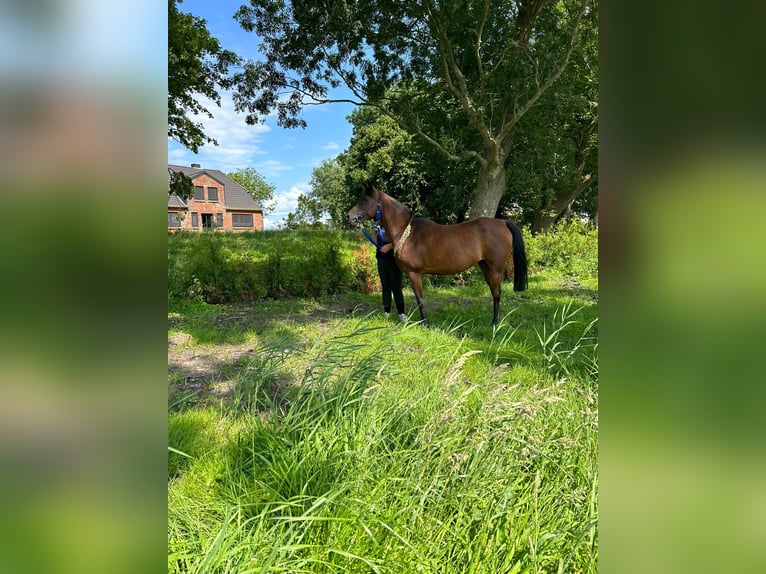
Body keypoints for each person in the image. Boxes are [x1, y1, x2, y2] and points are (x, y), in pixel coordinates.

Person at [362, 223, 406, 321]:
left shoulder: (395, 225)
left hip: (394, 260)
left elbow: (402, 240)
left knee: (396, 287)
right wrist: (374, 233)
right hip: (381, 260)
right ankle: (387, 312)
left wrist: (390, 246)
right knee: (385, 286)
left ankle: (401, 313)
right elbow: (376, 243)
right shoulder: (379, 227)